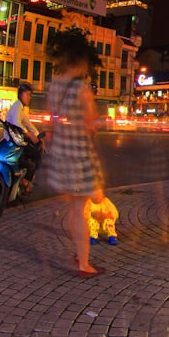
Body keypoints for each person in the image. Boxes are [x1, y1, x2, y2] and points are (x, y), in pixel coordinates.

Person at [46, 28, 106, 278]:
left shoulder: (54, 86)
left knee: (74, 209)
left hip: (61, 154)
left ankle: (78, 252)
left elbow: (53, 120)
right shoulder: (81, 88)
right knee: (82, 210)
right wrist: (98, 121)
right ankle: (83, 264)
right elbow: (89, 123)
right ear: (80, 62)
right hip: (79, 155)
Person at [5, 82, 44, 193]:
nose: (29, 98)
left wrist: (38, 136)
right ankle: (26, 180)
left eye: (30, 95)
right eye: (27, 94)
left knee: (34, 150)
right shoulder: (17, 105)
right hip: (13, 142)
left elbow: (28, 124)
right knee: (34, 157)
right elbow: (17, 123)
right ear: (21, 94)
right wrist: (29, 134)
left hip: (15, 141)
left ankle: (25, 179)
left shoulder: (21, 109)